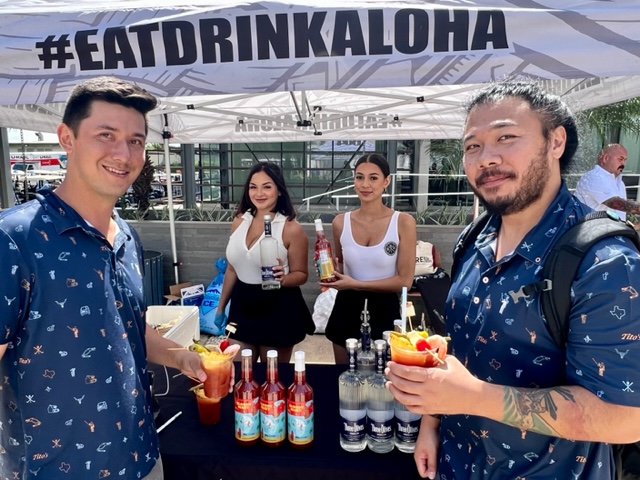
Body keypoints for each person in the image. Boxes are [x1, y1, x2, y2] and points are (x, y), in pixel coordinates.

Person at [386, 81, 640, 480]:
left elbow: (626, 417)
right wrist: (431, 422)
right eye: (472, 146)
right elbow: (467, 345)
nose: (486, 158)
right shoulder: (474, 239)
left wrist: (472, 397)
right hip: (455, 465)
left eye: (506, 137)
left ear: (555, 141)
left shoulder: (604, 260)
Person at [0, 76, 210, 480]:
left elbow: (126, 327)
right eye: (106, 135)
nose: (123, 153)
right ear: (67, 138)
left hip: (142, 458)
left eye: (135, 140)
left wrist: (179, 356)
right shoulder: (14, 239)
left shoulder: (126, 235)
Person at [321, 153, 416, 364]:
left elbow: (405, 281)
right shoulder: (340, 222)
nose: (365, 184)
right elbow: (341, 267)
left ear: (386, 181)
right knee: (344, 376)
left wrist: (356, 284)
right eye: (359, 177)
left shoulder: (403, 222)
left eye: (373, 178)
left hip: (386, 310)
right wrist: (327, 270)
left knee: (385, 377)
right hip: (346, 308)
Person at [215, 161, 313, 363]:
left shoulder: (291, 228)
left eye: (267, 187)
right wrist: (221, 307)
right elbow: (232, 269)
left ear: (279, 190)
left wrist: (284, 278)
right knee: (240, 371)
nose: (259, 193)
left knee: (272, 375)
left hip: (277, 308)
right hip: (242, 306)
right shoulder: (239, 221)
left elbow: (302, 274)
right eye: (253, 187)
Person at [574, 143, 640, 221]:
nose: (623, 163)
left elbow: (620, 213)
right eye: (620, 159)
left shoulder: (620, 183)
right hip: (593, 227)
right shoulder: (594, 177)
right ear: (605, 158)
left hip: (610, 227)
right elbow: (615, 203)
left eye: (625, 160)